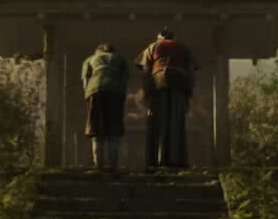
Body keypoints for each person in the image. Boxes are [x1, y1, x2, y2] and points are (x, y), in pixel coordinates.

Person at [136, 27, 198, 170]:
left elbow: (145, 72)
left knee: (159, 121)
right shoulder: (184, 48)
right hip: (179, 85)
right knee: (177, 122)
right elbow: (191, 73)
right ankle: (177, 160)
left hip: (159, 84)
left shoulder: (153, 46)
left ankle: (157, 160)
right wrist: (188, 94)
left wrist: (146, 92)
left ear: (159, 37)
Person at [81, 42, 130, 171]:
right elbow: (125, 79)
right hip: (115, 90)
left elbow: (85, 80)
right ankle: (113, 165)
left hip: (95, 90)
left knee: (96, 130)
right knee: (113, 130)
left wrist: (88, 96)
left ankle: (98, 165)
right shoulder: (120, 58)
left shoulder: (90, 59)